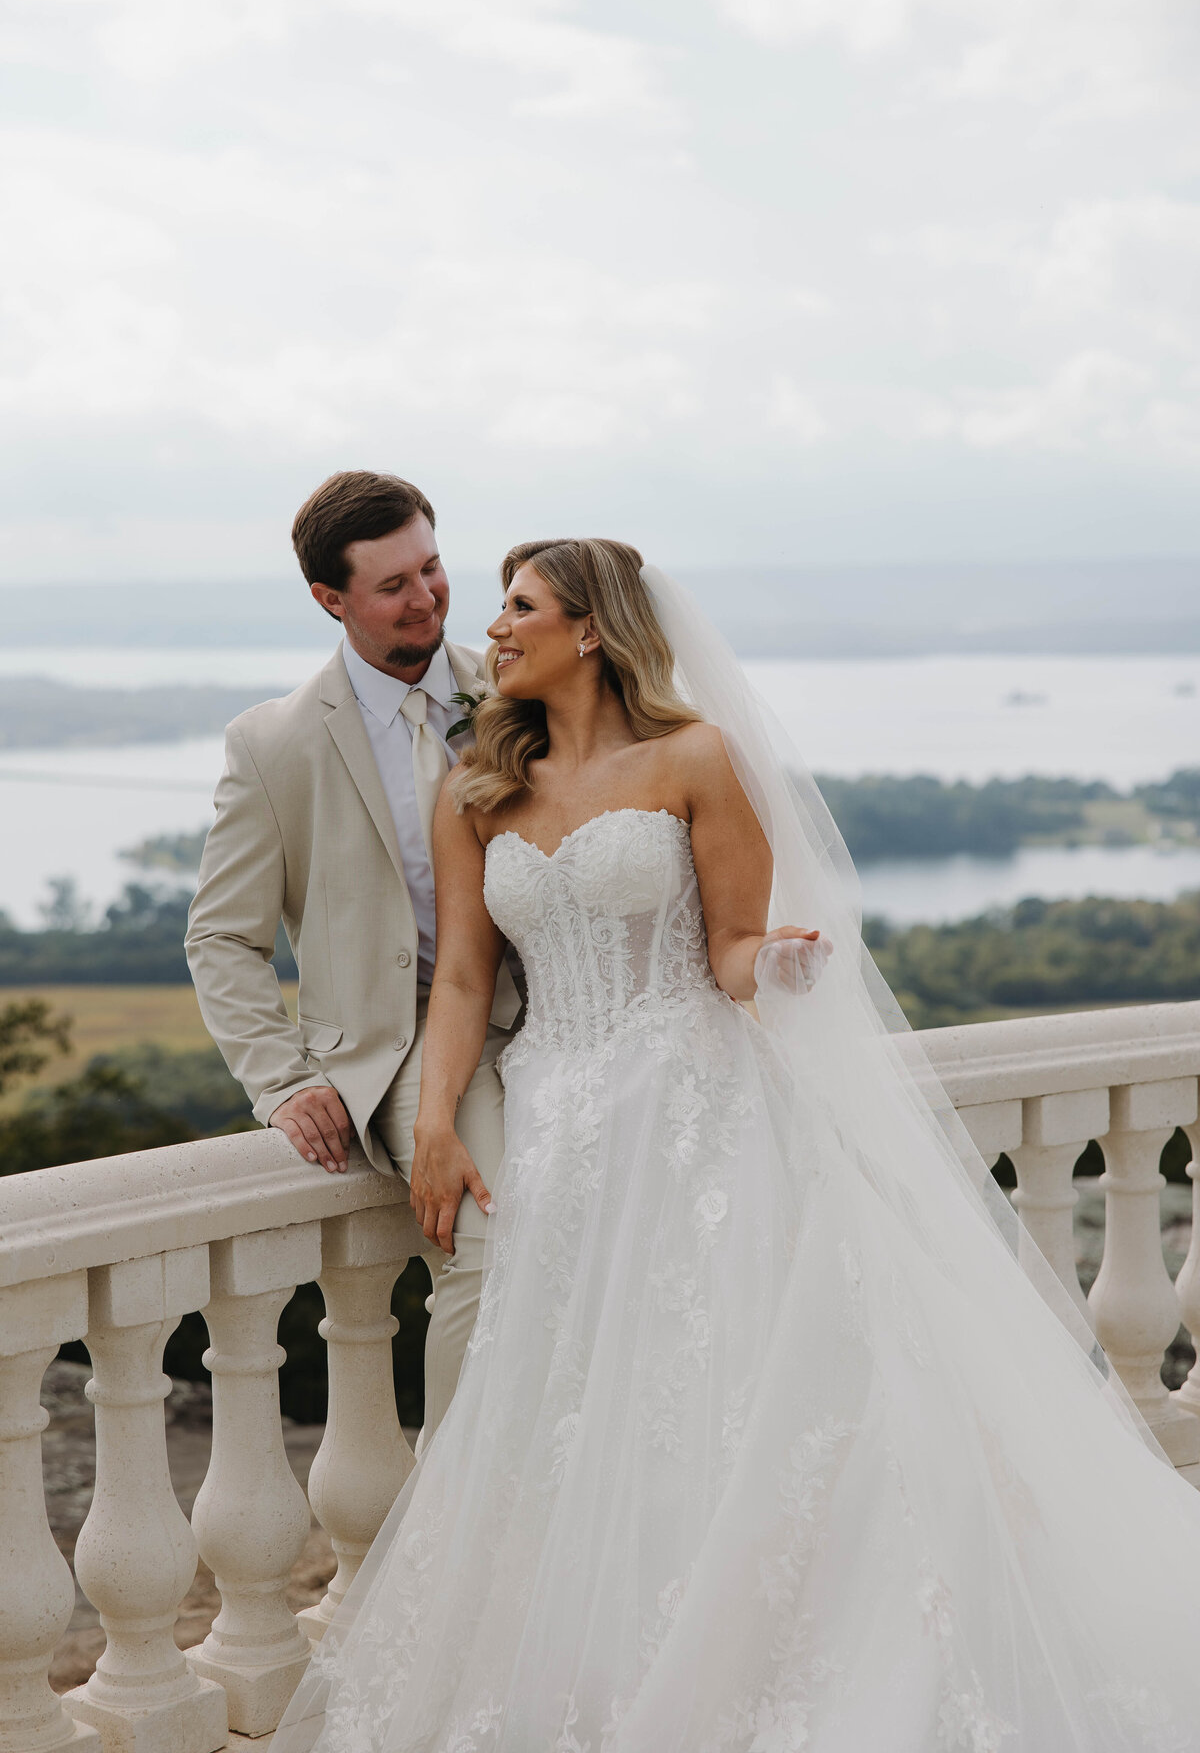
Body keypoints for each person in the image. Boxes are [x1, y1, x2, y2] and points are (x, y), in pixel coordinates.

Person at [274, 540, 1200, 1753]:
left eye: (518, 607)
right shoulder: (478, 786)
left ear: (590, 630)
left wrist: (780, 962)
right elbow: (460, 981)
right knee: (574, 1411)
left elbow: (730, 947)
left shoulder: (697, 757)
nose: (489, 629)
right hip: (556, 1125)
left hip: (696, 1115)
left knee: (723, 1392)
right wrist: (437, 1122)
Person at [185, 471, 520, 1438]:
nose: (425, 599)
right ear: (331, 600)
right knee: (492, 1243)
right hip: (401, 1044)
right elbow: (223, 936)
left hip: (565, 1011)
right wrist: (282, 1082)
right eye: (392, 586)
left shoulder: (521, 690)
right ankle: (454, 1531)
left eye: (432, 568)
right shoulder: (273, 744)